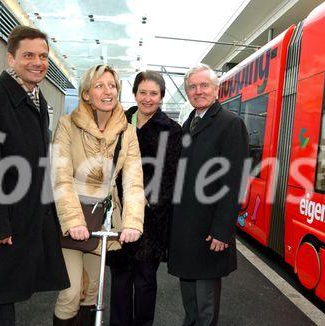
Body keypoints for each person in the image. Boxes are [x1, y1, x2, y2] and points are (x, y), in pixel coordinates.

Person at [0, 26, 70, 325]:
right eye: (29, 55)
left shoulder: (37, 100)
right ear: (11, 58)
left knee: (5, 299)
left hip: (24, 220)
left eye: (43, 56)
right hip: (0, 223)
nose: (38, 62)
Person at [51, 64, 145, 325]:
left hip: (102, 219)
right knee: (70, 293)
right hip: (71, 218)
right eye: (99, 85)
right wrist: (73, 221)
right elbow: (61, 177)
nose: (108, 91)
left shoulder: (127, 132)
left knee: (92, 292)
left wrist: (133, 223)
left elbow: (134, 180)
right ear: (85, 94)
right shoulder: (67, 125)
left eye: (112, 86)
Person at [168, 63, 249, 326]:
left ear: (216, 90)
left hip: (208, 231)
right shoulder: (189, 123)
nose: (198, 91)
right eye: (192, 87)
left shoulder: (230, 124)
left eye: (204, 86)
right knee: (190, 299)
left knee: (205, 305)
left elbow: (233, 181)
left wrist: (223, 230)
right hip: (185, 230)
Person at [109, 71, 182, 326]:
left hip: (152, 219)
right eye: (143, 92)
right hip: (118, 213)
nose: (147, 98)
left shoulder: (172, 130)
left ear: (161, 96)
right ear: (135, 93)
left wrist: (146, 203)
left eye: (153, 93)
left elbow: (170, 176)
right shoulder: (119, 122)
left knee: (145, 281)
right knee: (119, 278)